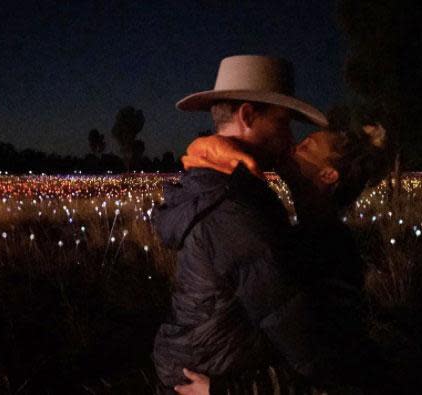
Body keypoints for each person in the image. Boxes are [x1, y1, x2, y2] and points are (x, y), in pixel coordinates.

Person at [173, 108, 391, 395]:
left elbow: (328, 363)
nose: (293, 146)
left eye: (306, 147)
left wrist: (227, 390)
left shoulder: (332, 249)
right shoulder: (300, 232)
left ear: (327, 174)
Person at [151, 54, 329, 394]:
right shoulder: (233, 204)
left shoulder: (211, 182)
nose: (290, 138)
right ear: (247, 115)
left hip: (205, 363)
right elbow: (290, 324)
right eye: (282, 123)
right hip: (212, 373)